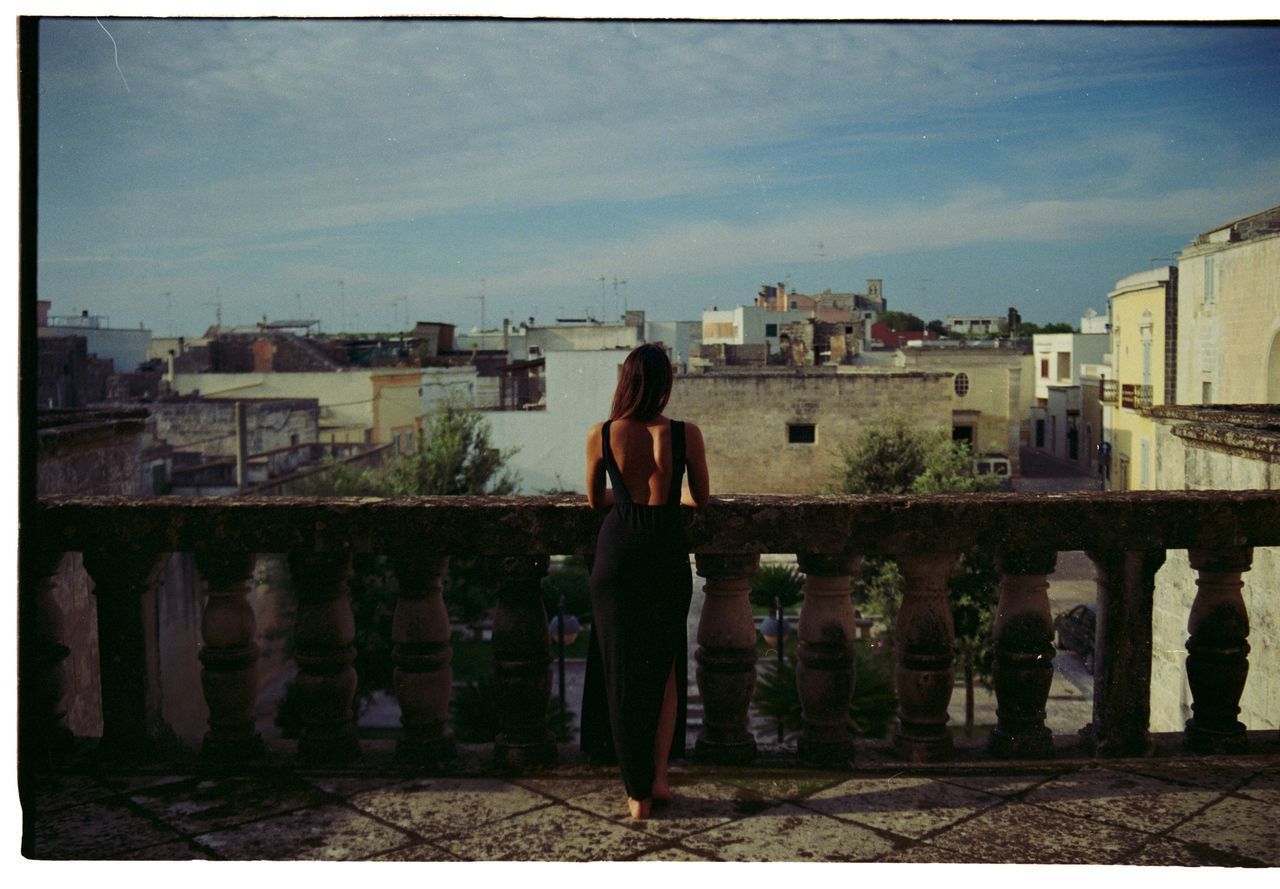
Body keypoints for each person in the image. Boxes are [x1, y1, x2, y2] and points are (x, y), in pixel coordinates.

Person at [579, 343, 710, 820]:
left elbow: (595, 500)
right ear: (665, 384)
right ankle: (657, 776)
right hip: (665, 551)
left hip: (618, 552)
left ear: (626, 381)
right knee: (665, 668)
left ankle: (635, 792)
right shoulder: (685, 434)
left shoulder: (602, 433)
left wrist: (628, 500)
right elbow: (702, 497)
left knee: (620, 670)